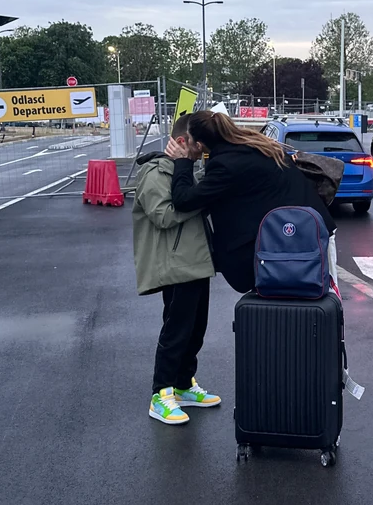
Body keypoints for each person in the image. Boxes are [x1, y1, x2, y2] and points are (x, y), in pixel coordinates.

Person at [167, 110, 337, 294]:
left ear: (199, 145)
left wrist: (182, 162)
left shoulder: (226, 164)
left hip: (306, 240)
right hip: (311, 232)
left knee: (311, 298)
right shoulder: (254, 145)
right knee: (315, 299)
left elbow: (184, 200)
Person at [132, 114, 221, 426]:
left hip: (195, 261)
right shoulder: (156, 172)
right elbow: (163, 215)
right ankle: (161, 394)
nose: (201, 150)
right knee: (176, 330)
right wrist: (202, 199)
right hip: (176, 264)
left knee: (196, 329)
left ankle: (183, 384)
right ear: (182, 141)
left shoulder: (182, 169)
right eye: (197, 144)